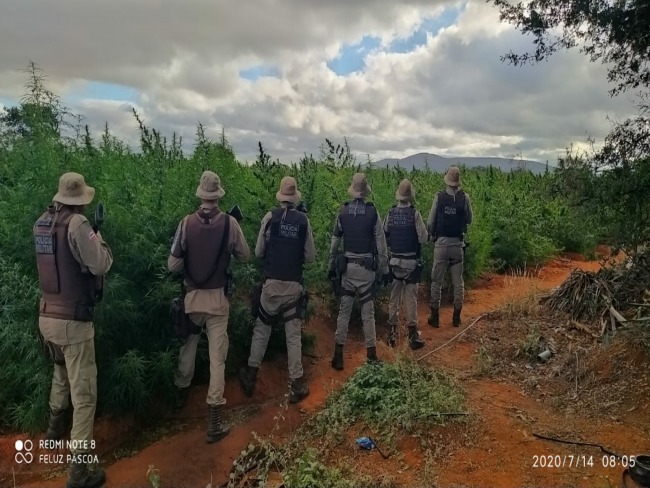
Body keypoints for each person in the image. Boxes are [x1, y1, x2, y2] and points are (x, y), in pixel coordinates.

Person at [34, 172, 113, 488]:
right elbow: (101, 264)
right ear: (78, 199)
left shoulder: (43, 223)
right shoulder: (78, 225)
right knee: (85, 394)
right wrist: (100, 239)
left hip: (47, 318)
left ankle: (53, 431)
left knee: (61, 373)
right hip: (73, 322)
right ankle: (79, 472)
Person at [168, 171, 250, 444]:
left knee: (187, 347)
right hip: (218, 300)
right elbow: (245, 256)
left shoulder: (185, 223)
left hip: (192, 299)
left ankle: (180, 394)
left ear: (201, 195)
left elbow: (172, 265)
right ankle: (214, 421)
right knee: (218, 358)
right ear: (218, 196)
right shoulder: (230, 224)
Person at [239, 176, 316, 404]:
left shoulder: (269, 218)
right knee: (293, 337)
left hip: (271, 286)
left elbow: (259, 252)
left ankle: (251, 375)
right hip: (293, 287)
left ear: (281, 196)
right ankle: (297, 385)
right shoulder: (303, 221)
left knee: (262, 330)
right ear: (295, 197)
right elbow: (310, 257)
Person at [328, 173, 389, 370]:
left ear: (353, 189)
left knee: (343, 313)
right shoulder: (372, 212)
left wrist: (331, 266)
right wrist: (384, 267)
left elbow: (335, 241)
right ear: (365, 191)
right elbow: (380, 242)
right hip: (366, 271)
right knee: (368, 314)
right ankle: (371, 355)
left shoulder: (343, 211)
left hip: (347, 270)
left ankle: (338, 355)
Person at [426, 166, 473, 328]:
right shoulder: (464, 197)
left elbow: (430, 221)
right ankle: (456, 318)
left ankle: (435, 317)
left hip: (441, 244)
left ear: (447, 179)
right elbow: (469, 219)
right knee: (458, 283)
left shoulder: (439, 197)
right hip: (457, 245)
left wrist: (431, 234)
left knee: (436, 282)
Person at [383, 179, 428, 350]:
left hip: (394, 263)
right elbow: (423, 238)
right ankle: (412, 335)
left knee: (393, 300)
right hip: (410, 264)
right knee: (411, 300)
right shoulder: (414, 214)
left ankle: (392, 334)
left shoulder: (391, 213)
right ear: (410, 196)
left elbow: (384, 234)